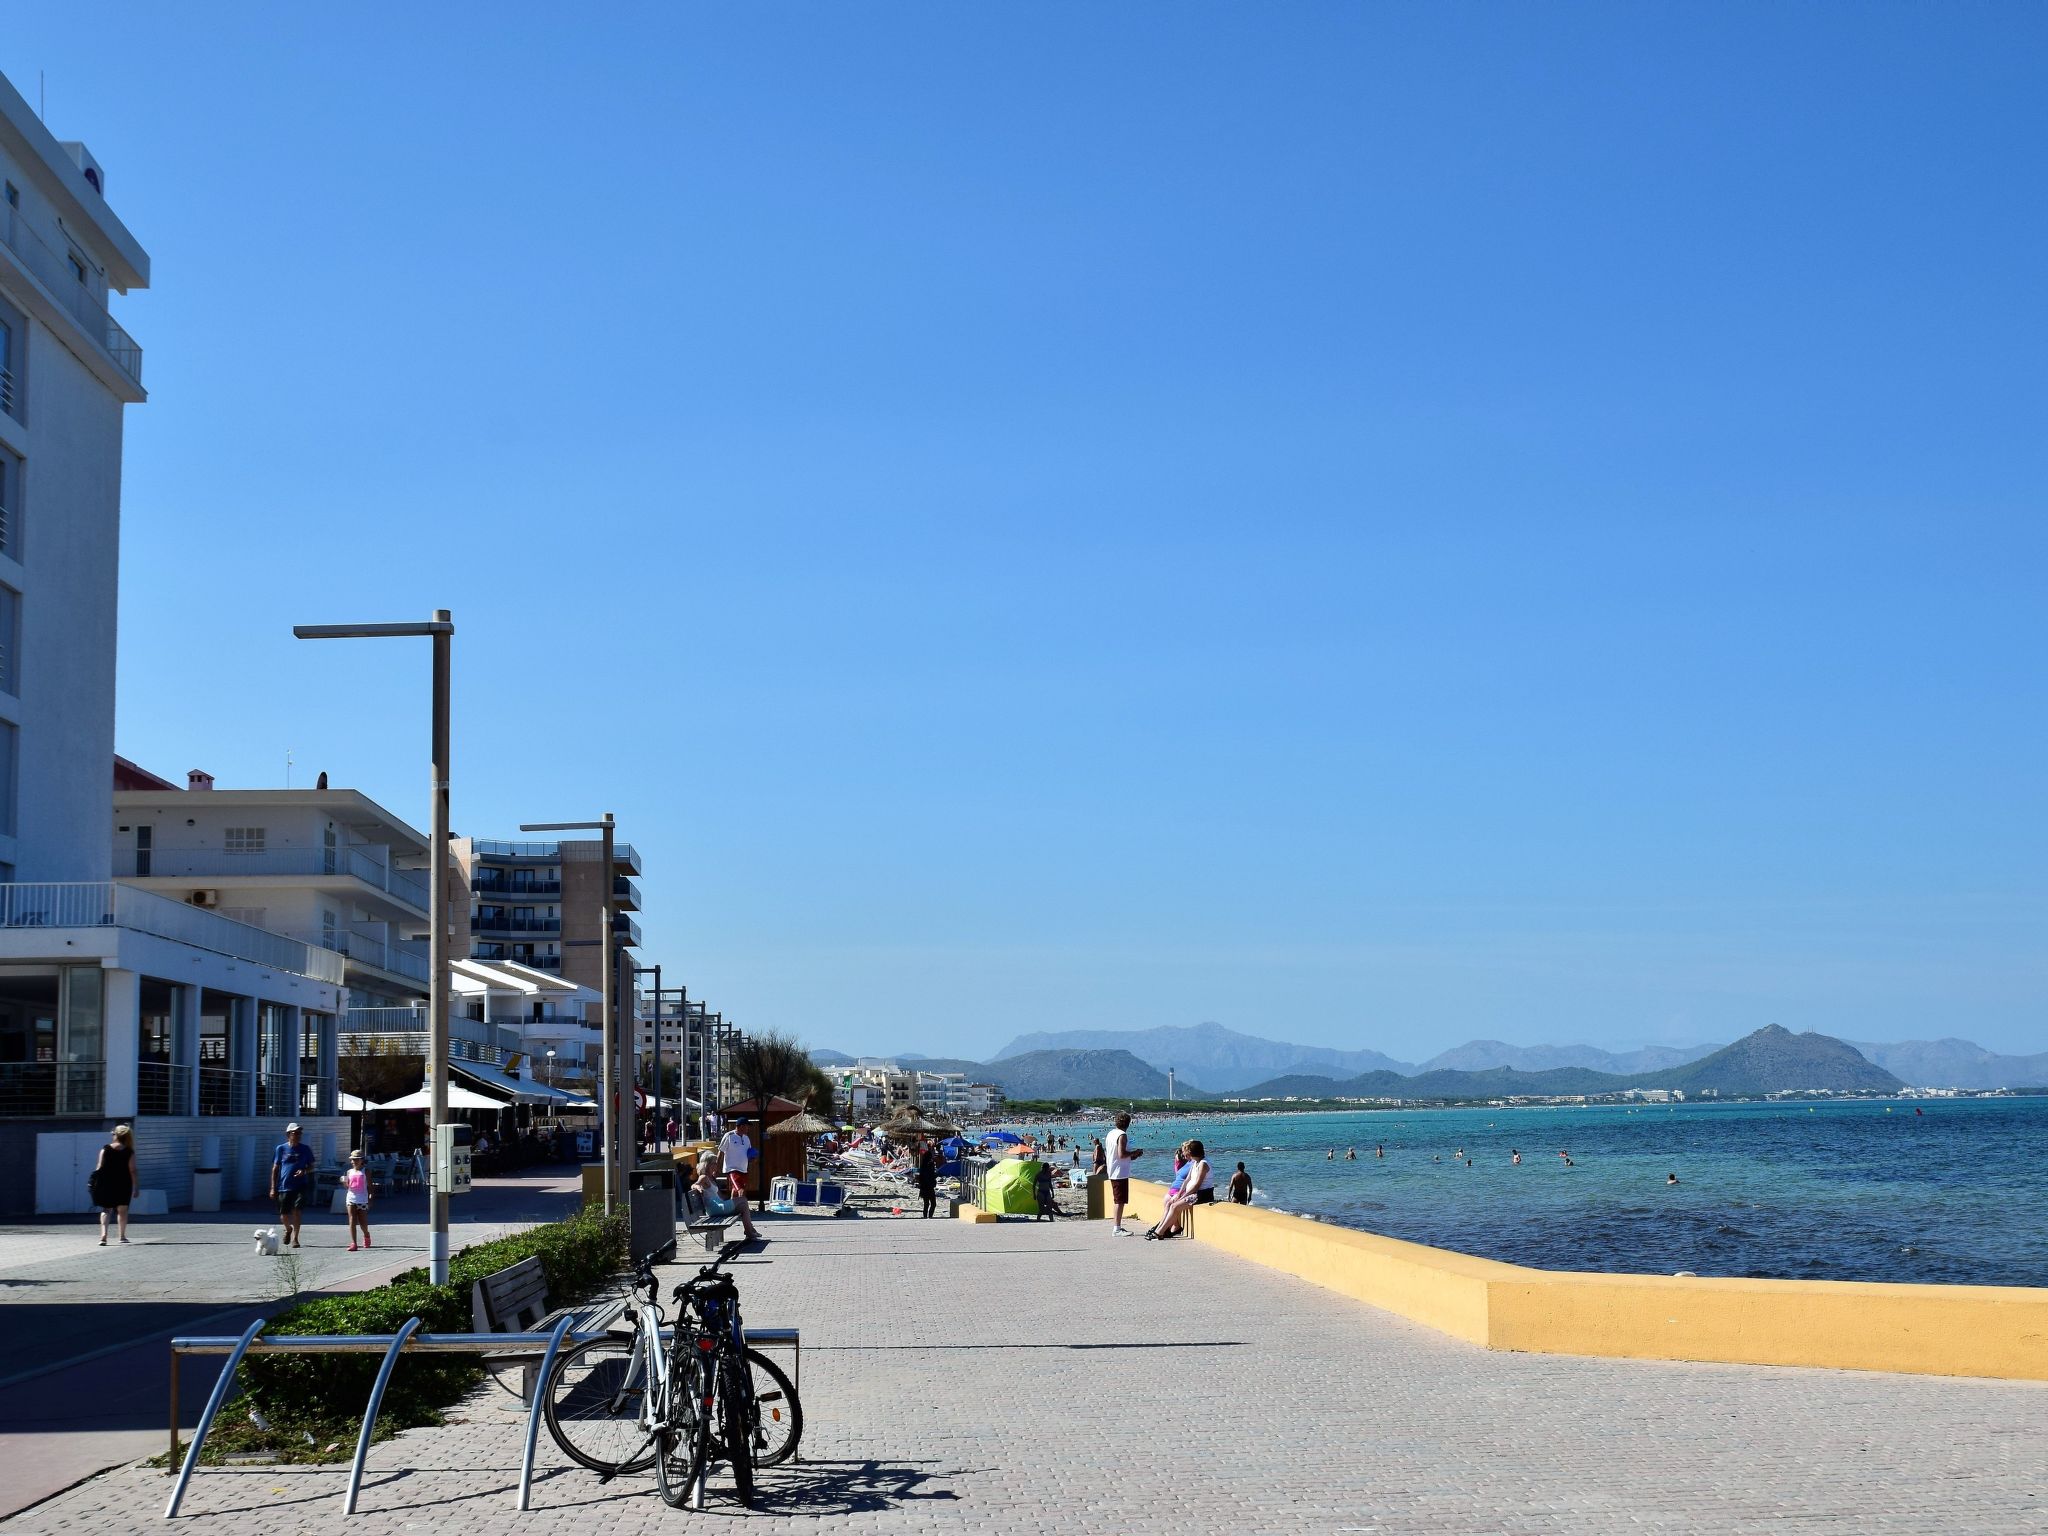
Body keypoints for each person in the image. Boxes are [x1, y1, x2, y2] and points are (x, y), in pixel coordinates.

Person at [1146, 1139, 1213, 1240]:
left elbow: (1197, 1185)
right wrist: (1179, 1194)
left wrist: (1182, 1196)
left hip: (1202, 1194)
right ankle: (1160, 1229)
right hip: (1193, 1193)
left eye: (1187, 1151)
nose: (1185, 1153)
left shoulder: (1203, 1164)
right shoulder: (1195, 1162)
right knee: (1170, 1204)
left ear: (1191, 1152)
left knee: (1174, 1206)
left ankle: (1159, 1232)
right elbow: (1187, 1180)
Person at [269, 1123, 315, 1249]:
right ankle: (288, 1229)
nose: (298, 1135)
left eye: (300, 1133)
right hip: (284, 1185)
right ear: (288, 1134)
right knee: (283, 1214)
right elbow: (275, 1168)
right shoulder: (281, 1149)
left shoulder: (305, 1149)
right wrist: (273, 1187)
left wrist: (304, 1171)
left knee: (297, 1210)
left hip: (300, 1185)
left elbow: (312, 1166)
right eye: (295, 1133)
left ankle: (295, 1238)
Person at [717, 1117, 762, 1241]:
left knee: (736, 1191)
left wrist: (752, 1158)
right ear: (741, 1126)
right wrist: (717, 1166)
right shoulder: (729, 1136)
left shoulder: (746, 1138)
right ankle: (746, 1220)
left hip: (743, 1169)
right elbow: (720, 1151)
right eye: (746, 1126)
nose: (748, 1128)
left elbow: (747, 1153)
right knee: (740, 1190)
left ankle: (732, 1209)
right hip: (732, 1169)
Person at [91, 1124, 137, 1245]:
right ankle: (122, 1236)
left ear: (116, 1135)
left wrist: (95, 1183)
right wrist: (136, 1187)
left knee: (106, 1209)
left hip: (107, 1183)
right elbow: (132, 1170)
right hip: (124, 1183)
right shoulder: (129, 1152)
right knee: (122, 1210)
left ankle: (103, 1236)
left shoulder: (105, 1149)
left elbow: (99, 1167)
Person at [1105, 1112, 1143, 1235]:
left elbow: (1117, 1155)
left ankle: (1118, 1227)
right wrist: (1134, 1152)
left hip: (1114, 1169)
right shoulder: (1122, 1135)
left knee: (1118, 1200)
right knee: (1119, 1201)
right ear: (1128, 1123)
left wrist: (1133, 1156)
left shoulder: (1111, 1133)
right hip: (1119, 1172)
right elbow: (1122, 1154)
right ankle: (1116, 1228)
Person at [343, 1150, 374, 1251]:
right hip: (351, 1197)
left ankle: (366, 1234)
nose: (354, 1161)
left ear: (362, 1160)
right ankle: (354, 1243)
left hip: (362, 1198)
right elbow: (347, 1187)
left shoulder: (366, 1171)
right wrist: (343, 1182)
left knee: (362, 1221)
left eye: (356, 1159)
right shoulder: (349, 1172)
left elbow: (370, 1185)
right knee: (352, 1219)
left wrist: (371, 1196)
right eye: (352, 1159)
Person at [916, 1139, 939, 1219]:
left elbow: (923, 1176)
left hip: (923, 1187)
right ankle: (930, 1216)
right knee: (933, 1203)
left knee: (926, 1203)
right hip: (929, 1187)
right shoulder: (929, 1165)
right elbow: (930, 1175)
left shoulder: (923, 1166)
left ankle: (926, 1216)